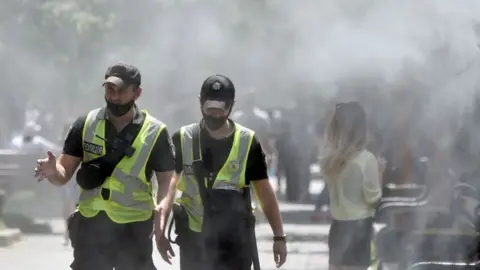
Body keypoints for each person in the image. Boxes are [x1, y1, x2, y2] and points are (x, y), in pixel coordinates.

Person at [34, 62, 177, 270]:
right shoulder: (85, 123)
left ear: (137, 93)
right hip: (91, 226)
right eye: (110, 89)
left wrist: (162, 212)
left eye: (121, 91)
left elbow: (167, 179)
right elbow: (63, 173)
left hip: (134, 228)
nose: (114, 96)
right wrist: (52, 170)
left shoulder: (155, 132)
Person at [170, 74, 287, 270]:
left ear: (231, 105)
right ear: (200, 103)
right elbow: (168, 184)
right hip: (194, 239)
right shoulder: (184, 138)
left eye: (220, 109)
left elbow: (264, 191)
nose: (215, 114)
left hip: (235, 241)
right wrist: (160, 224)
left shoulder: (247, 141)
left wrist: (279, 236)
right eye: (210, 108)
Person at [320, 102, 382, 270]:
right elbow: (372, 198)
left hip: (337, 228)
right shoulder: (367, 159)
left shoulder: (328, 160)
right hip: (359, 228)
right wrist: (380, 174)